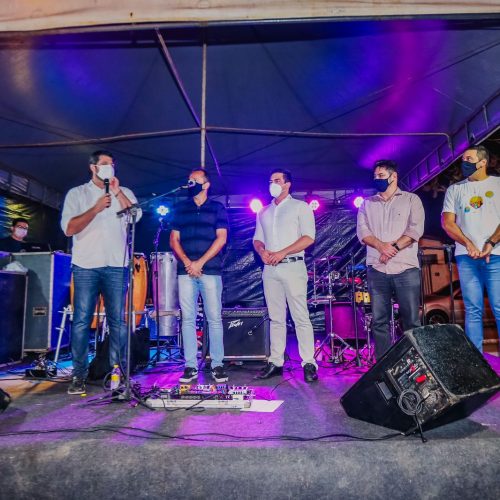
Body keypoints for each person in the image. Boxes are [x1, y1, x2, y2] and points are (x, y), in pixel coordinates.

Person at [61, 150, 141, 395]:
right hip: (86, 265)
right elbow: (69, 228)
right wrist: (95, 209)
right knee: (82, 321)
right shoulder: (77, 194)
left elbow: (135, 216)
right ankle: (79, 375)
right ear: (93, 168)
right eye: (105, 164)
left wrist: (117, 193)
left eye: (112, 164)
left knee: (118, 321)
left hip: (116, 265)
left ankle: (117, 373)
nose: (110, 167)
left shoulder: (124, 191)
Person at [253, 168, 318, 383]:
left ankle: (308, 362)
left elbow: (308, 238)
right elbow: (257, 239)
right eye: (270, 181)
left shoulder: (301, 207)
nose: (273, 184)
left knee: (300, 316)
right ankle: (276, 362)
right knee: (276, 318)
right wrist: (262, 251)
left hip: (293, 266)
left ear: (287, 184)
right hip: (270, 270)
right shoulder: (263, 211)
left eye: (277, 180)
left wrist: (282, 252)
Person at [357, 159, 424, 360]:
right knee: (379, 321)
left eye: (381, 175)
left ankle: (415, 362)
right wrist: (381, 246)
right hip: (377, 269)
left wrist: (392, 248)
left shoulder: (411, 199)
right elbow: (363, 232)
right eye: (375, 176)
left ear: (393, 176)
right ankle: (383, 365)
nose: (376, 179)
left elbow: (415, 230)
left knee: (411, 320)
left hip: (406, 269)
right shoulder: (367, 203)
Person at [170, 168, 229, 384]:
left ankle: (217, 364)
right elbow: (174, 239)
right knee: (188, 318)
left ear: (206, 184)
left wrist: (200, 263)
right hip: (186, 272)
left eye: (195, 180)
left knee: (214, 318)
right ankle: (190, 366)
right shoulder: (180, 208)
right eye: (189, 180)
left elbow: (221, 239)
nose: (191, 183)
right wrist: (188, 263)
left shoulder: (217, 208)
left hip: (210, 270)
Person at [442, 145, 500, 352]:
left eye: (469, 159)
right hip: (466, 257)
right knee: (473, 309)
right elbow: (447, 223)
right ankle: (476, 362)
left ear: (482, 162)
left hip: (496, 256)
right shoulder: (455, 189)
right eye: (463, 159)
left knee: (499, 307)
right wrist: (468, 244)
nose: (464, 162)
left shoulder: (498, 184)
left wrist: (490, 243)